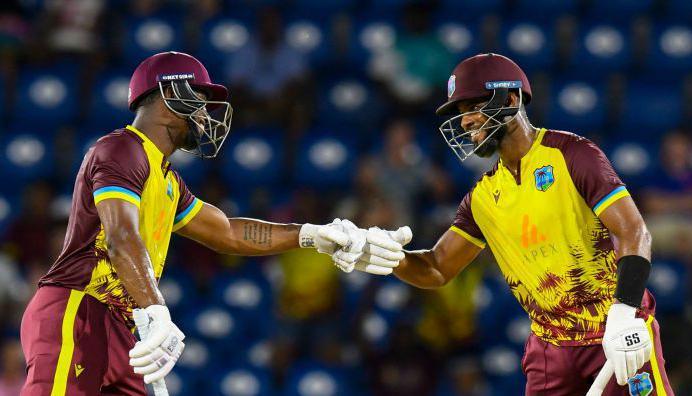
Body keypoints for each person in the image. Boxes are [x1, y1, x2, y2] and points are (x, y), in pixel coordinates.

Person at [19, 51, 410, 396]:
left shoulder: (167, 179)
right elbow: (121, 238)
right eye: (201, 101)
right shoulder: (122, 149)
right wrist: (156, 308)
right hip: (80, 305)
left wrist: (310, 235)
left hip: (120, 323)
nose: (206, 115)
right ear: (172, 95)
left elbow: (225, 232)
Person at [388, 53, 674, 395]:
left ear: (510, 99)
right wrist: (385, 256)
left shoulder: (572, 154)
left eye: (473, 106)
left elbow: (633, 231)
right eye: (461, 113)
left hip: (615, 331)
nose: (465, 122)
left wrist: (625, 311)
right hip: (549, 348)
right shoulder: (481, 197)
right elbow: (436, 268)